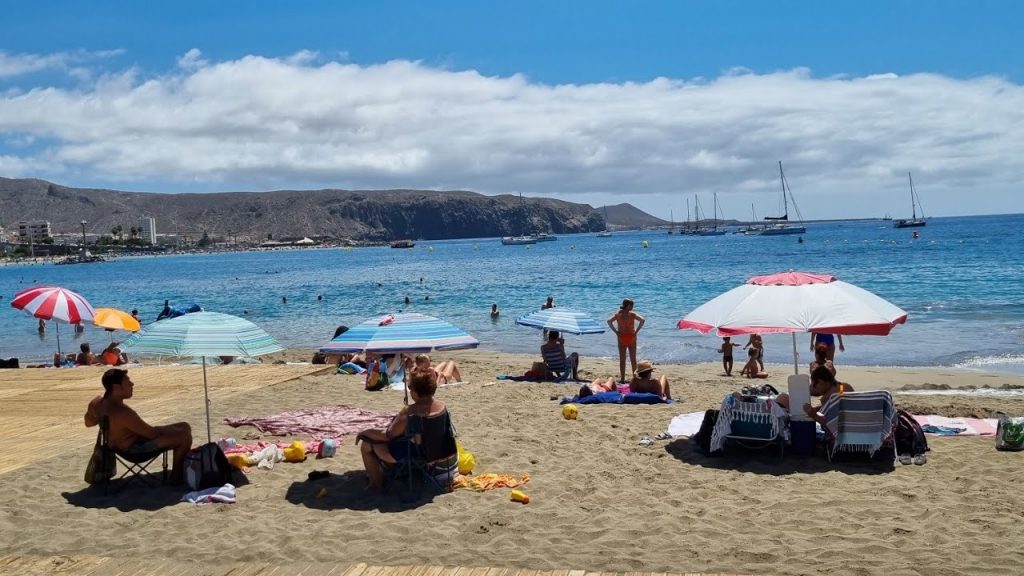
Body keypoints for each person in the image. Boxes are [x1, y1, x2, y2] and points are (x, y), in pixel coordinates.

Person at [84, 369, 193, 484]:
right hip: (134, 450)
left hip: (115, 446)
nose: (132, 384)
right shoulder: (123, 412)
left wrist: (99, 416)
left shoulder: (97, 403)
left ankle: (178, 473)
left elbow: (88, 423)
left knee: (184, 426)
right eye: (127, 382)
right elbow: (153, 434)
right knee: (184, 437)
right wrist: (168, 431)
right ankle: (177, 478)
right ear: (116, 387)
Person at [356, 371, 456, 492]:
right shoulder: (442, 407)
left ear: (416, 391)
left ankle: (375, 484)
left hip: (415, 455)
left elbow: (388, 435)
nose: (409, 390)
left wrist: (364, 433)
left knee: (367, 444)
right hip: (437, 453)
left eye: (410, 387)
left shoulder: (410, 412)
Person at [607, 298, 645, 383]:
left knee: (622, 359)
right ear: (627, 305)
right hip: (631, 337)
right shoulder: (632, 314)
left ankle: (622, 379)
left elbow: (609, 321)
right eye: (631, 305)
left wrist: (616, 332)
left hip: (622, 337)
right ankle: (635, 378)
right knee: (633, 359)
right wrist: (636, 331)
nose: (632, 307)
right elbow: (642, 320)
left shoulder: (618, 314)